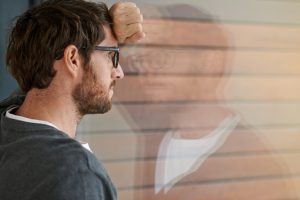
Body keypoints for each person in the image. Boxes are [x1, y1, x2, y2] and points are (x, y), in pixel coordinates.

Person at [0, 0, 144, 199]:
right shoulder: (76, 174)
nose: (119, 72)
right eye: (112, 56)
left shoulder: (9, 130)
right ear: (73, 59)